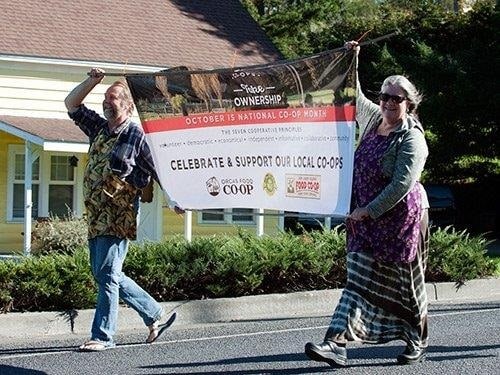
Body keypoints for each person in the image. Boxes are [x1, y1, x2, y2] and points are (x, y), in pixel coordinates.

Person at [305, 41, 430, 366]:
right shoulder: (374, 119)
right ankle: (336, 344)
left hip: (401, 220)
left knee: (407, 285)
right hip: (363, 220)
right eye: (384, 95)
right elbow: (354, 96)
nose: (387, 102)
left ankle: (416, 339)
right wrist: (352, 60)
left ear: (409, 104)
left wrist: (368, 210)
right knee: (357, 280)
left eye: (395, 98)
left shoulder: (412, 139)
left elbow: (401, 185)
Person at [65, 68, 177, 351]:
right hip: (95, 213)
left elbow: (159, 170)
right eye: (105, 98)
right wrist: (93, 81)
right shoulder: (99, 128)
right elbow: (71, 104)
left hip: (120, 214)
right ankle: (153, 314)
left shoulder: (136, 136)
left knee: (107, 274)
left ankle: (103, 336)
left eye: (112, 98)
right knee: (104, 274)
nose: (107, 102)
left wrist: (175, 200)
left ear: (127, 105)